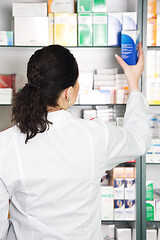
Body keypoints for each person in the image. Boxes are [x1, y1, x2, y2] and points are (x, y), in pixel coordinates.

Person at [0, 43, 151, 240]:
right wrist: (134, 84)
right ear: (68, 92)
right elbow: (139, 139)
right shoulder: (95, 136)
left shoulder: (6, 144)